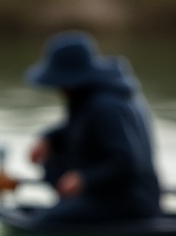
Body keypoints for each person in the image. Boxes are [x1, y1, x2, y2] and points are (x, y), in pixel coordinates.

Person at [26, 31, 161, 225]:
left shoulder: (105, 106)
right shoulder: (91, 97)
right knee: (52, 162)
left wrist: (85, 180)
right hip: (110, 195)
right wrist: (48, 140)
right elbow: (80, 130)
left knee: (45, 222)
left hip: (131, 202)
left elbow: (126, 162)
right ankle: (71, 205)